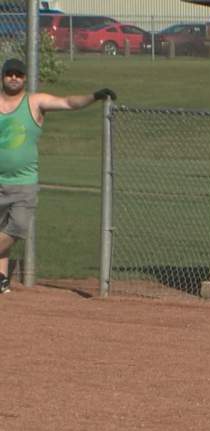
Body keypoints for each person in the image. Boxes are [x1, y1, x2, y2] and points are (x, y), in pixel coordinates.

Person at [0, 58, 115, 294]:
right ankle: (2, 278)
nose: (13, 78)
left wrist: (94, 96)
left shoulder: (35, 102)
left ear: (24, 78)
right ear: (2, 76)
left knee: (16, 227)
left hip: (23, 183)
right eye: (9, 73)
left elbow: (68, 102)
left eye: (18, 74)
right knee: (2, 230)